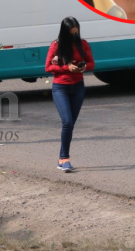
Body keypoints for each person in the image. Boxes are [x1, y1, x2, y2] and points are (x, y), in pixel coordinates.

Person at [45, 17, 94, 172]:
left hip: (78, 87)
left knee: (70, 124)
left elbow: (92, 63)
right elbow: (47, 67)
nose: (75, 36)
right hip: (61, 88)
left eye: (76, 33)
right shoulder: (56, 45)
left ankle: (62, 158)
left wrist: (83, 67)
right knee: (67, 122)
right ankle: (65, 158)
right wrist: (67, 68)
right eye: (72, 34)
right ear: (65, 33)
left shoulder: (83, 44)